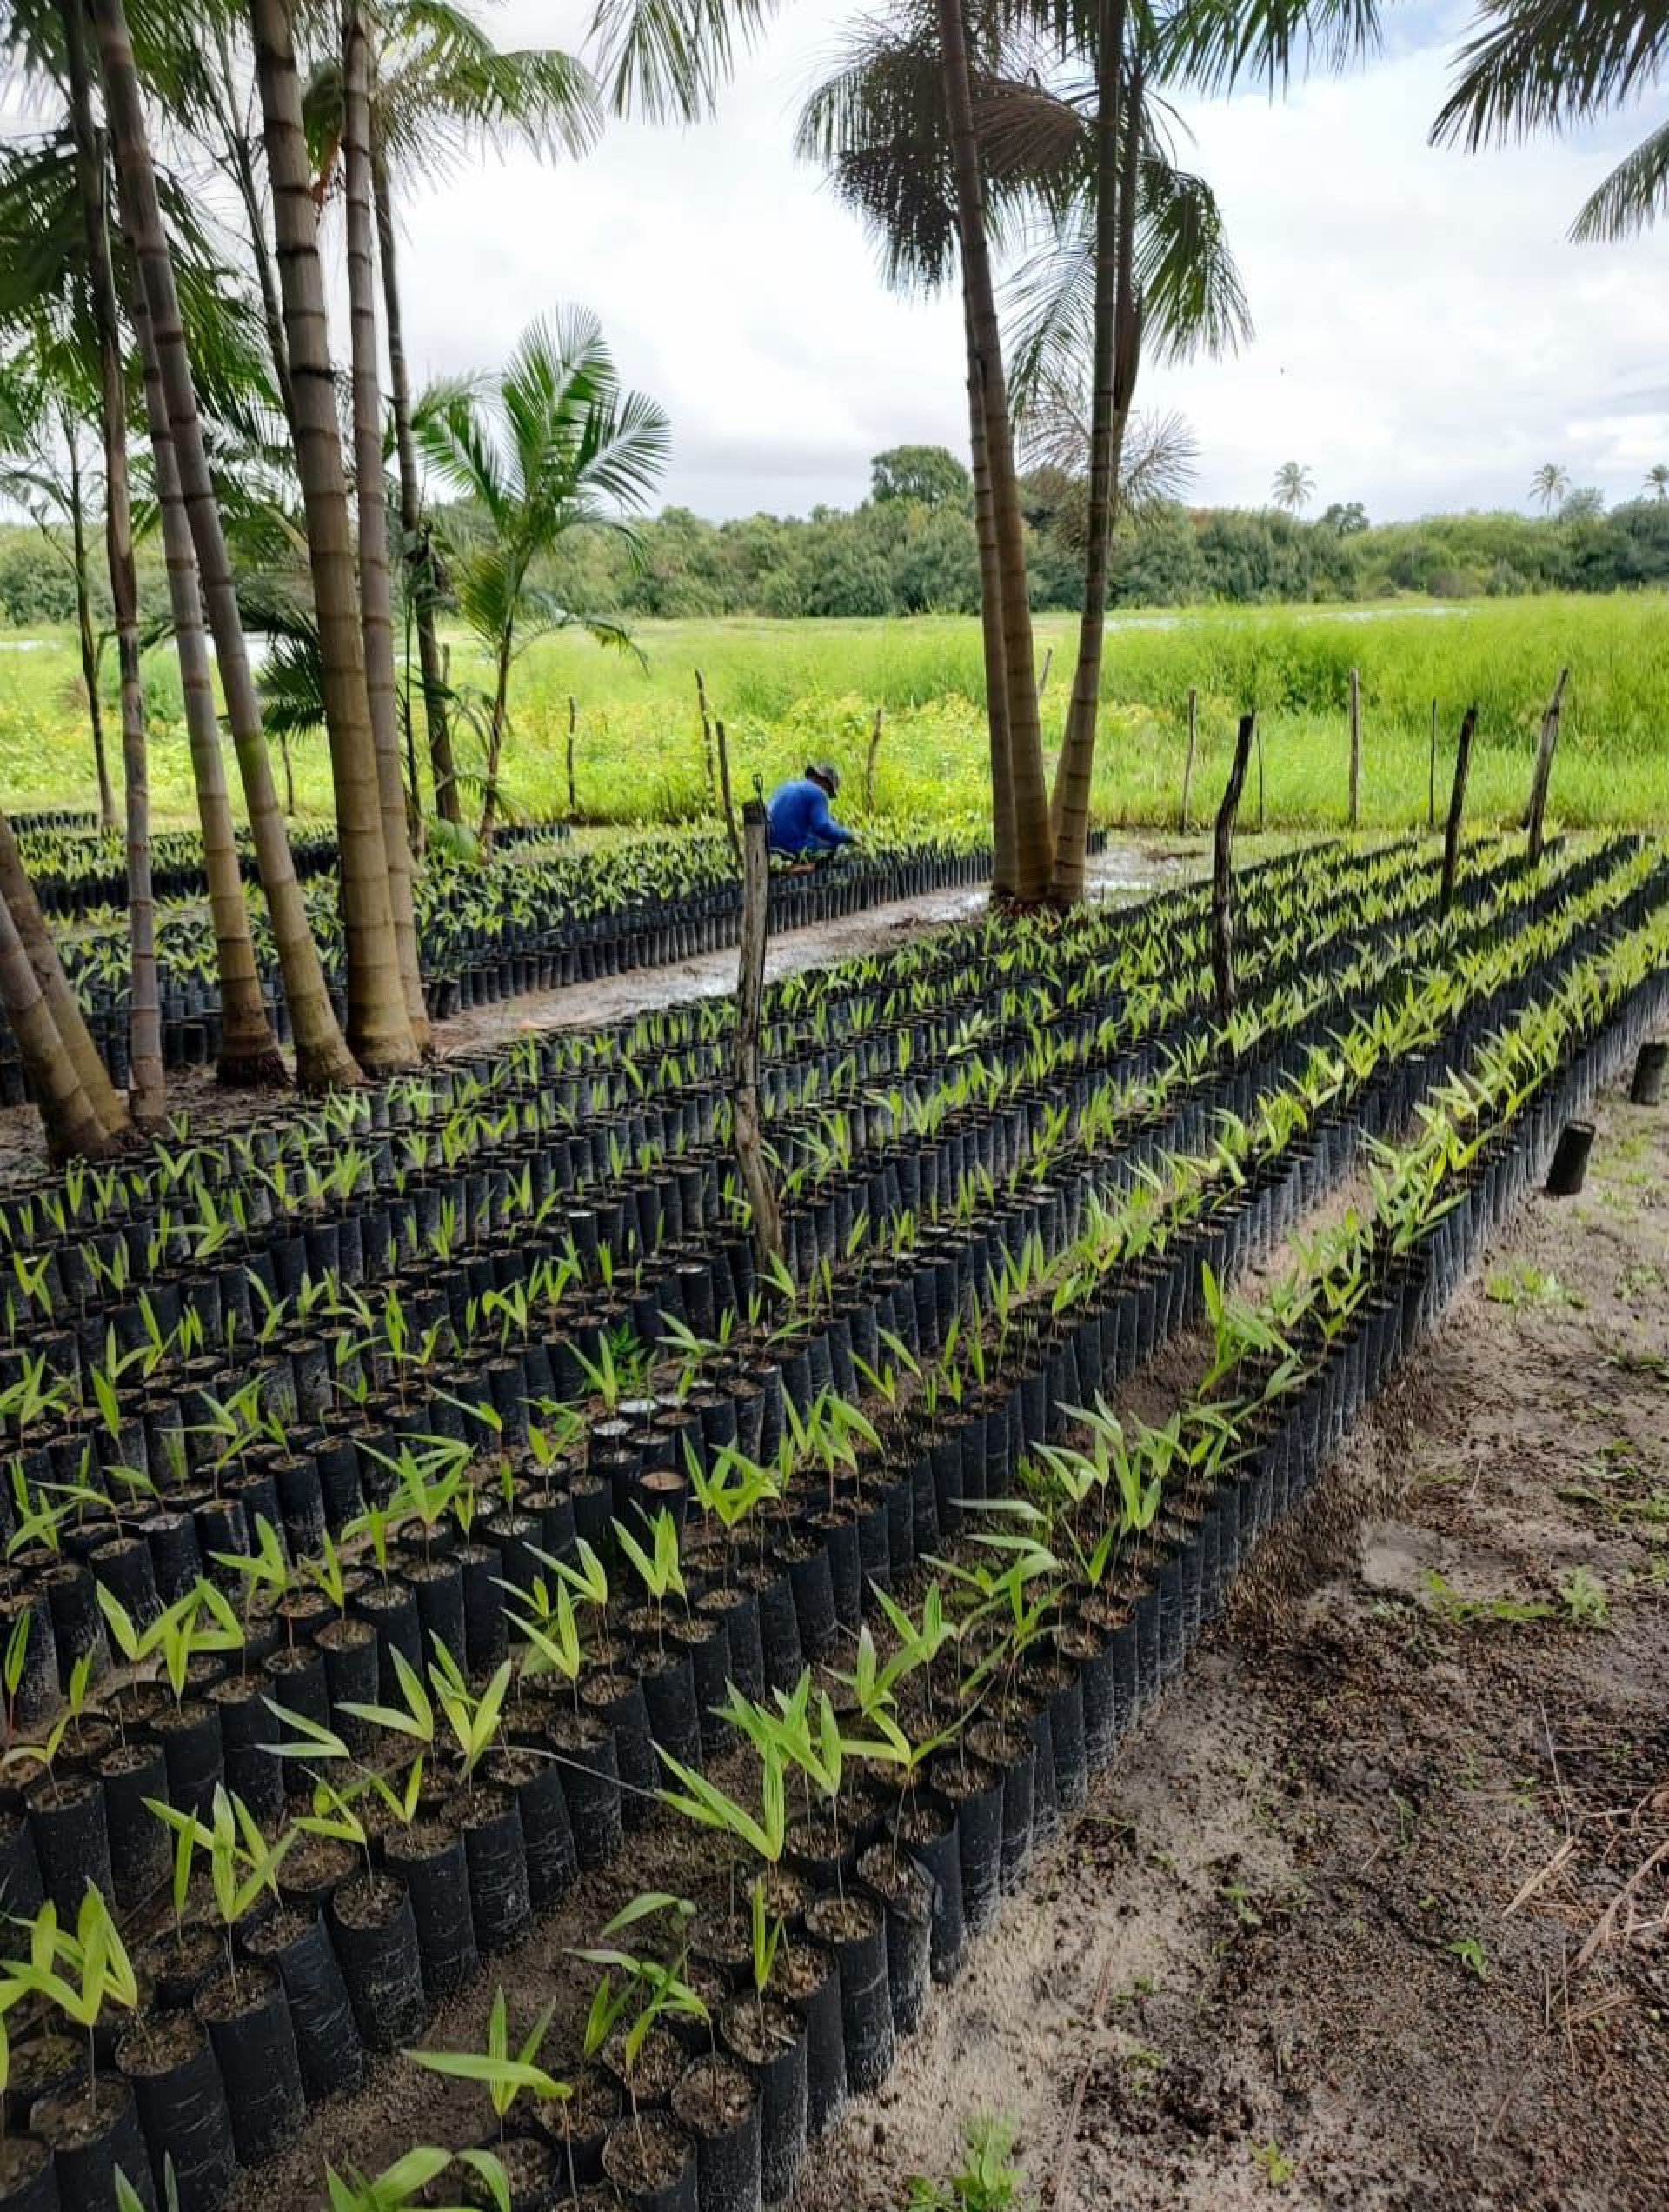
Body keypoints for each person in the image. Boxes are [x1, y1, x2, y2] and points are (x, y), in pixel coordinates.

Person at [765, 763, 858, 862]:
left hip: (770, 846)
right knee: (835, 843)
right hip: (789, 848)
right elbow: (822, 827)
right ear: (825, 782)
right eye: (829, 791)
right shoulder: (818, 792)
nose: (826, 794)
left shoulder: (785, 786)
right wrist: (849, 836)